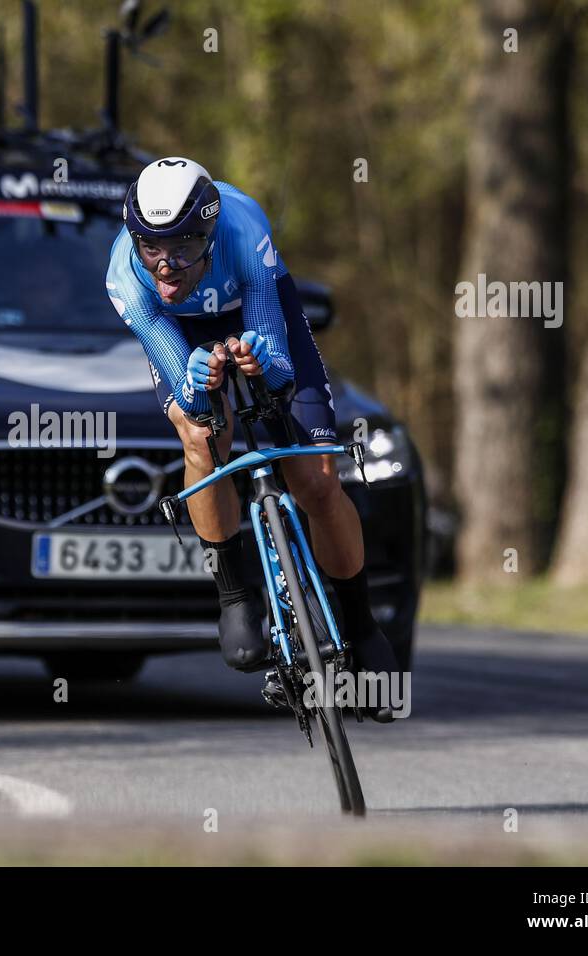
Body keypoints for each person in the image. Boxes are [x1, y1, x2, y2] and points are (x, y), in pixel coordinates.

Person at [105, 157, 399, 711]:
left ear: (211, 232)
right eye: (152, 248)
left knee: (315, 478)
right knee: (201, 438)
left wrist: (263, 359)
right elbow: (186, 392)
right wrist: (196, 379)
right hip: (181, 335)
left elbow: (283, 367)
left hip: (256, 313)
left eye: (185, 247)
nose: (166, 266)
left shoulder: (244, 230)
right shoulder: (124, 273)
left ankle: (360, 627)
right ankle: (236, 595)